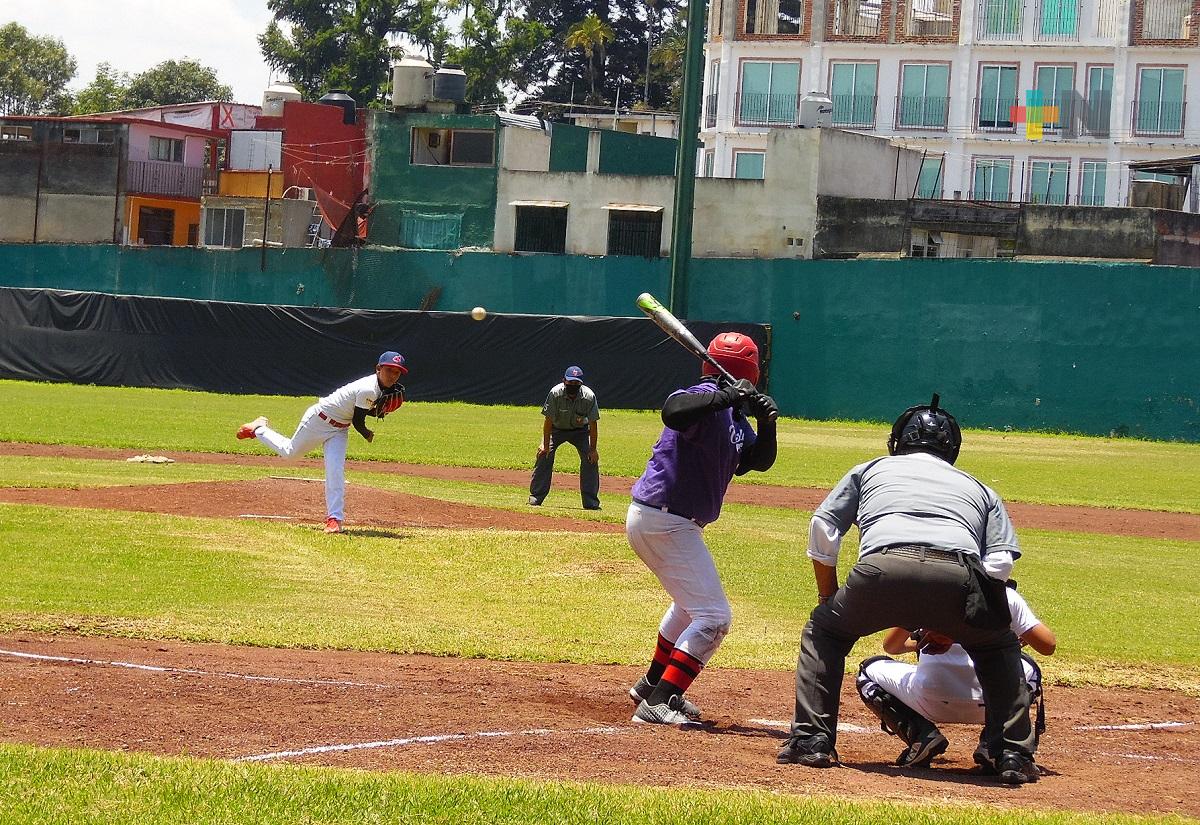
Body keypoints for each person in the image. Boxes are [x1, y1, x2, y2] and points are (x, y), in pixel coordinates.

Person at [777, 395, 1041, 785]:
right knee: (998, 646)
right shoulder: (980, 488)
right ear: (952, 448)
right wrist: (963, 620)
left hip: (881, 570)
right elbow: (1000, 563)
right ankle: (1010, 755)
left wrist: (827, 596)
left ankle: (812, 740)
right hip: (959, 573)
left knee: (825, 632)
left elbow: (823, 527)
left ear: (897, 440)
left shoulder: (869, 469)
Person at [626, 332, 778, 726]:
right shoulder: (704, 398)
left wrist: (766, 422)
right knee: (714, 617)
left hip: (667, 521)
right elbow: (673, 411)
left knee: (688, 607)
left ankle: (651, 684)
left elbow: (756, 462)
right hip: (665, 519)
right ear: (752, 372)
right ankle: (660, 701)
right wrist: (729, 395)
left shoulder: (732, 416)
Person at [856, 581, 1056, 771]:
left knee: (868, 669)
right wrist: (1013, 640)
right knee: (1030, 670)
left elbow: (892, 646)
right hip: (992, 702)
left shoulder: (927, 593)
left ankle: (920, 736)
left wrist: (925, 642)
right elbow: (1048, 646)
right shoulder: (1004, 595)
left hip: (929, 700)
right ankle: (995, 744)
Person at [236, 351, 408, 534]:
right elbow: (359, 421)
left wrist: (379, 411)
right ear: (378, 369)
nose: (393, 375)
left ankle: (334, 519)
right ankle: (258, 428)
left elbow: (359, 411)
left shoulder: (381, 390)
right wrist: (367, 434)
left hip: (339, 429)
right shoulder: (368, 388)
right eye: (389, 370)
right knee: (290, 453)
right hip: (319, 420)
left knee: (335, 470)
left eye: (397, 372)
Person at [528, 366, 601, 510]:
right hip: (556, 429)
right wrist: (544, 443)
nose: (572, 386)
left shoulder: (589, 396)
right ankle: (536, 497)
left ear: (581, 383)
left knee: (590, 459)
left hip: (580, 431)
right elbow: (548, 421)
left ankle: (591, 502)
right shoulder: (555, 393)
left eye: (576, 383)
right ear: (564, 381)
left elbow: (593, 425)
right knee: (544, 454)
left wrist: (593, 449)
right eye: (570, 382)